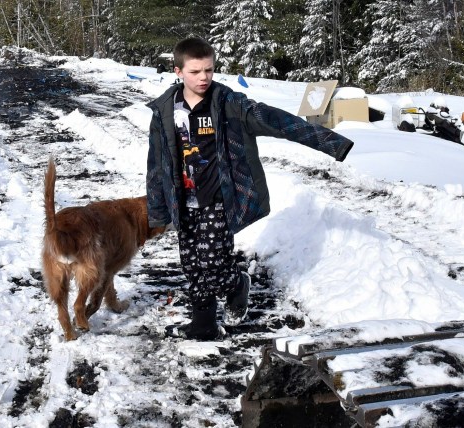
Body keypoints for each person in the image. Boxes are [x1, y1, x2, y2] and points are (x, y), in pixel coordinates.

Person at [146, 37, 354, 340]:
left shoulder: (229, 105)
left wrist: (330, 142)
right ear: (178, 71)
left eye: (209, 70)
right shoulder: (164, 111)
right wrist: (158, 209)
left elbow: (277, 121)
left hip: (219, 197)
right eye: (195, 71)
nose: (203, 77)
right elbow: (156, 163)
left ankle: (237, 284)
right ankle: (203, 325)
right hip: (183, 201)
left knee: (214, 264)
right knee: (192, 265)